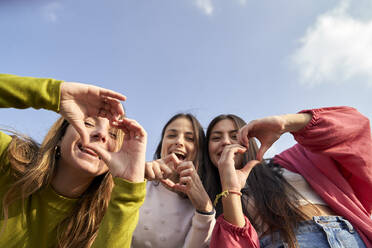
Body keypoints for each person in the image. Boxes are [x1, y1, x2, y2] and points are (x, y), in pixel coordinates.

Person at [0, 74, 147, 248]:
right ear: (61, 136)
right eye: (89, 123)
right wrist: (53, 93)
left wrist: (129, 186)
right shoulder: (10, 159)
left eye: (113, 134)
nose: (101, 134)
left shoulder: (108, 218)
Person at [209, 106, 372, 248]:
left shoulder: (292, 159)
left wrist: (285, 123)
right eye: (216, 138)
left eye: (234, 135)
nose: (225, 142)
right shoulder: (215, 201)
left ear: (249, 139)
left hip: (349, 237)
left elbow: (354, 126)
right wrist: (231, 190)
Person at [131, 113, 216, 248]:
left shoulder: (204, 202)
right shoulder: (139, 180)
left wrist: (205, 211)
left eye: (190, 138)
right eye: (171, 135)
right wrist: (133, 180)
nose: (179, 142)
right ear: (161, 145)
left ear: (199, 152)